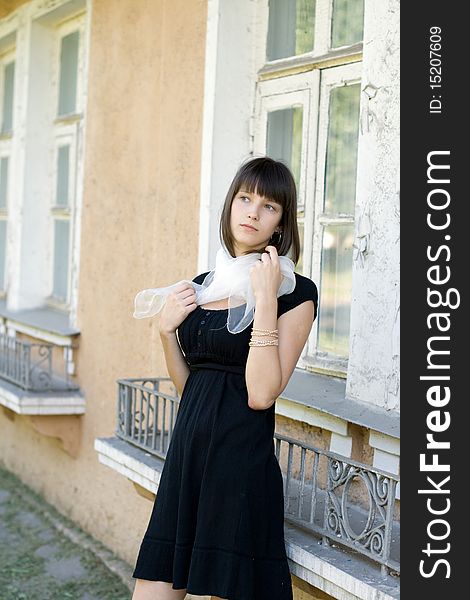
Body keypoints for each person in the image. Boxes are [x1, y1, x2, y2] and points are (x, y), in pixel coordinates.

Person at [131, 156, 318, 600]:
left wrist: (266, 299)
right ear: (230, 205)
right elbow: (189, 388)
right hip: (186, 462)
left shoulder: (296, 291)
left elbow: (260, 393)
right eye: (245, 198)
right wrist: (165, 333)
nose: (253, 212)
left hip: (238, 468)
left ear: (280, 224)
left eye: (269, 206)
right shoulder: (203, 286)